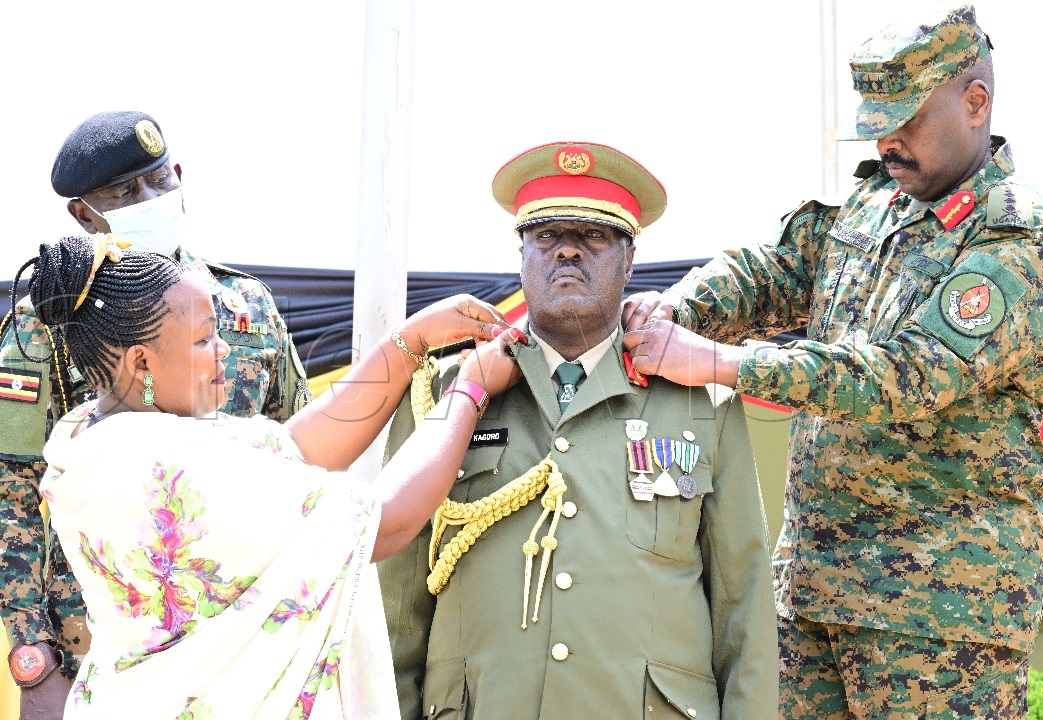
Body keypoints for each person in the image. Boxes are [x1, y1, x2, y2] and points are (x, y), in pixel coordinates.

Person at [622, 5, 1043, 718]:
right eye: (875, 123)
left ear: (976, 102)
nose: (885, 142)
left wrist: (719, 363)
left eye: (904, 120)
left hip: (940, 614)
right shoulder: (874, 206)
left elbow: (910, 373)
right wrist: (675, 309)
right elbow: (773, 272)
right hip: (814, 590)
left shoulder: (1016, 237)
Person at [6, 234, 521, 718]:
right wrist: (466, 392)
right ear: (142, 362)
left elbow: (298, 445)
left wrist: (410, 340)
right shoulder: (176, 469)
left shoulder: (91, 439)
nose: (224, 351)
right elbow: (388, 522)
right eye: (204, 340)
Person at [378, 141, 777, 719]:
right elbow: (396, 604)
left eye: (592, 235)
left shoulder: (702, 400)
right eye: (545, 236)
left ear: (629, 259)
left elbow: (744, 605)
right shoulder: (445, 392)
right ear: (521, 257)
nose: (567, 249)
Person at [0, 110, 313, 717]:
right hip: (105, 649)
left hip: (245, 640)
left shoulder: (245, 305)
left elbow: (299, 451)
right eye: (124, 192)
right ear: (85, 214)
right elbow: (9, 496)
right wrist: (32, 663)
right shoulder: (50, 323)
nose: (149, 199)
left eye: (158, 180)